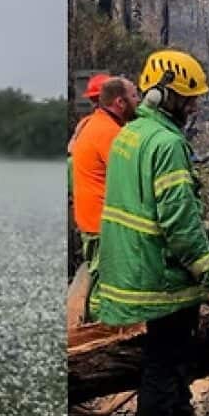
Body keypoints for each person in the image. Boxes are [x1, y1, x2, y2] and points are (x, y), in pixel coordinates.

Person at [89, 49, 209, 416]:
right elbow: (180, 224)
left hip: (137, 268)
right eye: (187, 99)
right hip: (161, 275)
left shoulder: (132, 133)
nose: (193, 107)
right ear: (163, 95)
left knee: (173, 359)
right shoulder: (167, 145)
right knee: (164, 365)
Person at [71, 75, 139, 271]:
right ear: (119, 102)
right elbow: (132, 177)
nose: (139, 101)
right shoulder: (109, 132)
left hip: (94, 221)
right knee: (110, 282)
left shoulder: (91, 125)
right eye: (134, 96)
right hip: (104, 227)